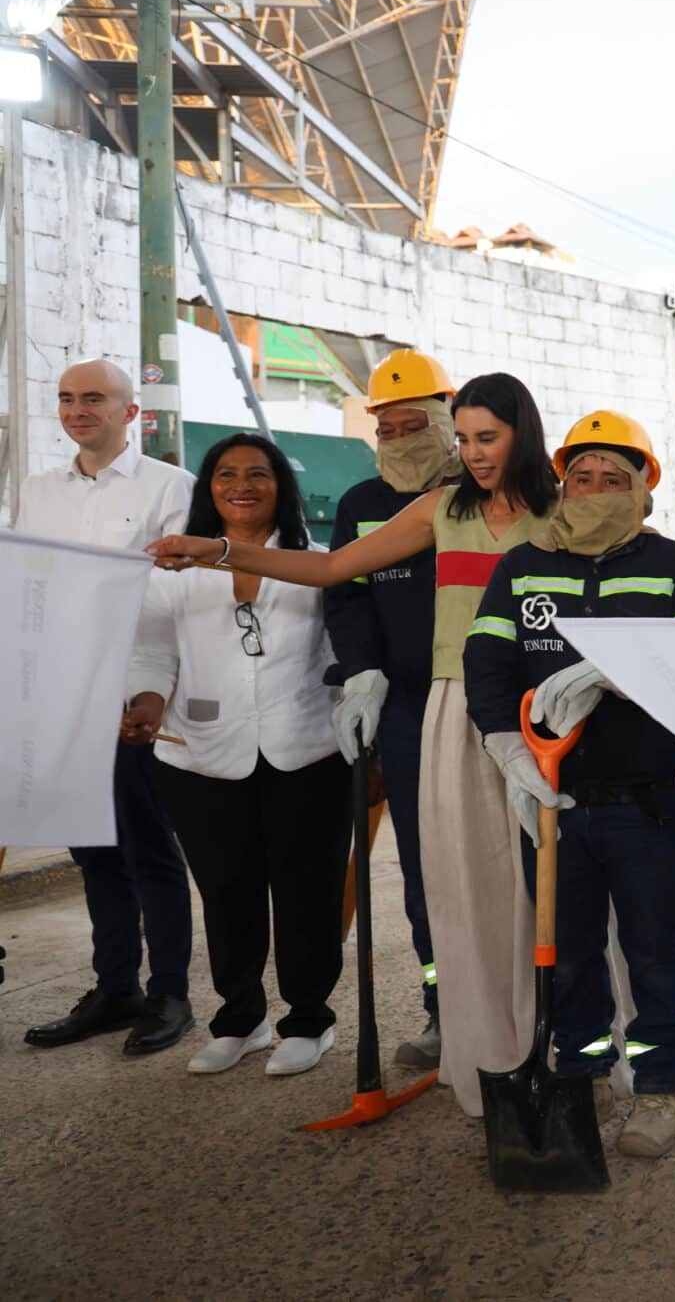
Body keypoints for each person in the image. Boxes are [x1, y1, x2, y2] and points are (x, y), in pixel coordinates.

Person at [146, 372, 558, 1115]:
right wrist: (218, 552)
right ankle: (482, 1042)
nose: (474, 453)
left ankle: (568, 1039)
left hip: (545, 718)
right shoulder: (443, 507)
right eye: (466, 439)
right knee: (463, 881)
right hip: (452, 713)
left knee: (554, 881)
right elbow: (332, 569)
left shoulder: (563, 512)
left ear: (522, 433)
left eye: (487, 438)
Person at [465, 411, 675, 1158]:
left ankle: (658, 1088)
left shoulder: (672, 566)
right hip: (553, 802)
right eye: (582, 477)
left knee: (653, 954)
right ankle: (581, 1075)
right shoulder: (521, 567)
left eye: (615, 478)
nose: (597, 489)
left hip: (643, 801)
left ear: (642, 490)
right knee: (567, 950)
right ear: (562, 485)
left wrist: (623, 671)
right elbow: (487, 660)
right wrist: (504, 742)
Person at [125, 434, 349, 1075]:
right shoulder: (172, 569)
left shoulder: (319, 564)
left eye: (258, 474)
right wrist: (147, 702)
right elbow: (152, 653)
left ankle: (309, 1021)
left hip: (308, 752)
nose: (241, 486)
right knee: (226, 891)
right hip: (202, 757)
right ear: (208, 488)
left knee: (307, 891)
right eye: (226, 474)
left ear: (282, 487)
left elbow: (341, 655)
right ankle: (240, 1019)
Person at [17, 358, 195, 1057]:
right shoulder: (38, 491)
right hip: (61, 691)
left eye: (93, 398)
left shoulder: (170, 487)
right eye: (66, 399)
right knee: (92, 850)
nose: (77, 410)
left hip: (131, 689)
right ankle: (115, 986)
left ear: (130, 412)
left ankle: (170, 992)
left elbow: (175, 594)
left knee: (150, 848)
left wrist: (154, 687)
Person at [323, 349, 462, 1070]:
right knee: (424, 865)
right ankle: (446, 1010)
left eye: (417, 425)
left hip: (488, 703)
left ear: (449, 417)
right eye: (388, 428)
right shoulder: (360, 505)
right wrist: (362, 671)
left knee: (509, 858)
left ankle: (526, 1005)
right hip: (406, 707)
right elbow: (343, 594)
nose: (401, 439)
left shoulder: (485, 492)